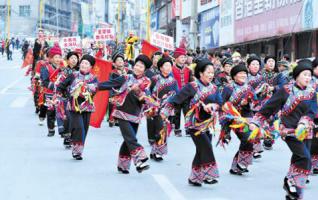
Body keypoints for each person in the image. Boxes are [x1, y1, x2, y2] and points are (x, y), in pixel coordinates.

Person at [250, 59, 317, 200]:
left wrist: (305, 122)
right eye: (305, 74)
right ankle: (290, 181)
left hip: (306, 131)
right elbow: (269, 107)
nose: (308, 78)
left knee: (299, 158)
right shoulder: (286, 90)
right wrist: (256, 122)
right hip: (289, 132)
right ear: (297, 75)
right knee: (305, 158)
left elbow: (312, 110)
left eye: (309, 75)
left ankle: (294, 193)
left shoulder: (312, 92)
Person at [161, 59, 222, 186]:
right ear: (200, 73)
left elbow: (220, 104)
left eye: (212, 72)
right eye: (208, 72)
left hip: (208, 124)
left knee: (201, 150)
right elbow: (176, 99)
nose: (211, 75)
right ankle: (209, 174)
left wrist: (212, 106)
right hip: (194, 124)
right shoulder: (191, 86)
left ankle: (194, 178)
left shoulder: (215, 88)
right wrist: (164, 113)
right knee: (206, 147)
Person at [98, 55, 153, 174]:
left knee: (127, 140)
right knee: (131, 138)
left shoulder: (147, 82)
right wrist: (94, 86)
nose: (138, 68)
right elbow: (109, 83)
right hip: (121, 112)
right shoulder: (125, 77)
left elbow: (146, 98)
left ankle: (122, 166)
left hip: (136, 114)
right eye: (137, 65)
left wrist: (139, 92)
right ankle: (140, 160)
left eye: (141, 66)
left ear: (145, 70)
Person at [56, 54, 98, 160]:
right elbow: (61, 86)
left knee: (84, 129)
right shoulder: (73, 75)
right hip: (74, 106)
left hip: (87, 107)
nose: (83, 65)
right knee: (79, 127)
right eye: (82, 62)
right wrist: (64, 96)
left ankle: (78, 149)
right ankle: (76, 151)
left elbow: (96, 89)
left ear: (91, 67)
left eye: (86, 63)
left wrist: (87, 88)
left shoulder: (93, 78)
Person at [221, 63, 256, 175]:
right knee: (246, 138)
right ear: (234, 76)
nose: (243, 75)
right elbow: (222, 104)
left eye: (245, 73)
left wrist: (249, 102)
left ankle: (237, 165)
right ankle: (240, 164)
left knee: (250, 138)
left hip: (247, 117)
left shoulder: (249, 87)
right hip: (234, 119)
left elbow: (255, 102)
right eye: (240, 73)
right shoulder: (228, 88)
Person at [149, 56, 178, 161]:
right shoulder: (154, 79)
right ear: (161, 68)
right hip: (156, 107)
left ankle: (156, 152)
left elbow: (177, 94)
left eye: (170, 65)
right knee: (159, 129)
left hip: (167, 109)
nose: (169, 67)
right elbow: (149, 91)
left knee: (163, 128)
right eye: (166, 65)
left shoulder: (173, 81)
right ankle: (157, 151)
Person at [55, 51, 80, 148]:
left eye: (76, 58)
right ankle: (67, 138)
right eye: (72, 58)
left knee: (76, 120)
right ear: (68, 60)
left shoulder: (80, 71)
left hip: (78, 99)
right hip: (66, 98)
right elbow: (58, 84)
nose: (74, 60)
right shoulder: (64, 71)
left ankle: (74, 138)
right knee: (68, 119)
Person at [40, 44, 63, 136]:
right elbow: (44, 81)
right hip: (49, 93)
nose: (58, 59)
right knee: (50, 112)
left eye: (59, 57)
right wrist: (54, 86)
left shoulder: (63, 68)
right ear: (51, 58)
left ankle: (62, 130)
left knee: (61, 111)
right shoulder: (46, 67)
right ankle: (51, 129)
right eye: (55, 57)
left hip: (60, 93)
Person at [172, 47, 194, 137]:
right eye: (181, 57)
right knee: (176, 113)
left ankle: (188, 129)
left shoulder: (188, 70)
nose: (183, 59)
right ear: (176, 58)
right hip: (176, 95)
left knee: (187, 112)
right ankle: (177, 129)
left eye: (184, 57)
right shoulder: (172, 69)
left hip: (186, 95)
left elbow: (191, 82)